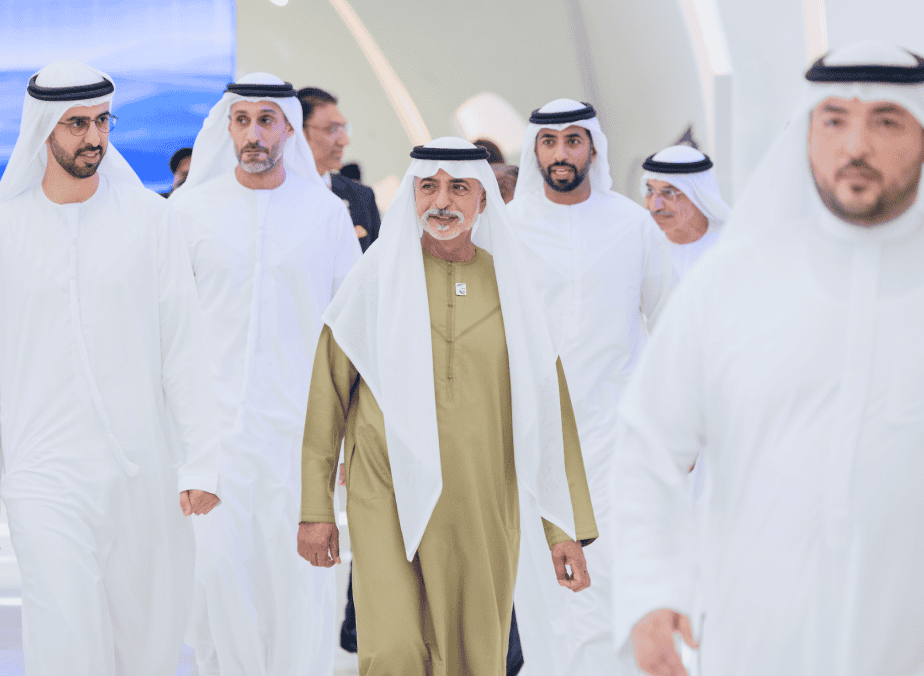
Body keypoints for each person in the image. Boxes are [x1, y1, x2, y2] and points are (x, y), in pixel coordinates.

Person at [614, 40, 924, 676]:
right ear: (808, 135)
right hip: (759, 641)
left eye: (886, 121)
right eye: (833, 120)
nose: (855, 145)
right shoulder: (733, 282)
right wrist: (651, 592)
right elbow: (649, 443)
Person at [298, 138, 598, 676]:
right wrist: (316, 509)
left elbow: (551, 413)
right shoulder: (376, 279)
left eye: (458, 187)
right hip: (384, 491)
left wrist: (564, 529)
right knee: (393, 651)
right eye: (428, 187)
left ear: (483, 200)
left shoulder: (512, 285)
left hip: (482, 498)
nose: (442, 201)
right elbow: (327, 397)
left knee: (472, 657)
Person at [0, 61, 221, 676]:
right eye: (76, 124)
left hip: (141, 468)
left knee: (145, 642)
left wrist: (200, 460)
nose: (93, 137)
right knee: (64, 632)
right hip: (40, 468)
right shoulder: (6, 228)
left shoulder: (150, 220)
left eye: (102, 121)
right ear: (43, 128)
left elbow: (184, 347)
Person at [170, 74, 361, 676]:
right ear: (227, 127)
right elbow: (165, 333)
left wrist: (351, 439)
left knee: (300, 595)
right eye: (242, 120)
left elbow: (353, 335)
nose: (254, 134)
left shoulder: (325, 215)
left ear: (287, 129)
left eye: (266, 120)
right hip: (212, 442)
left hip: (300, 442)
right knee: (219, 591)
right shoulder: (188, 212)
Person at [506, 99, 675, 675]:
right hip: (531, 431)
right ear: (535, 151)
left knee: (609, 572)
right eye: (549, 142)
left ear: (593, 149)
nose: (561, 153)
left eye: (573, 140)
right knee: (541, 583)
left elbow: (668, 321)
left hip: (613, 427)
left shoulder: (631, 223)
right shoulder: (507, 227)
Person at [298, 86, 381, 252]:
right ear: (299, 131)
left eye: (344, 129)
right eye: (332, 129)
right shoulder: (275, 193)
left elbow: (377, 262)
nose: (344, 141)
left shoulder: (361, 197)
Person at [642, 145, 731, 277]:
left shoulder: (728, 246)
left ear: (699, 195)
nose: (654, 206)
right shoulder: (642, 247)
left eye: (668, 193)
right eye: (650, 191)